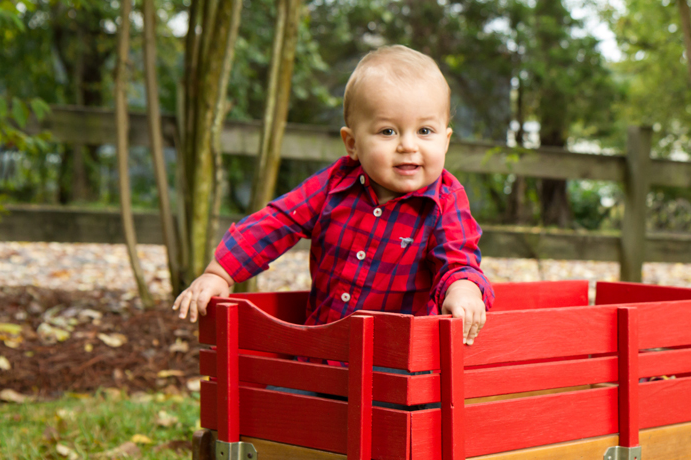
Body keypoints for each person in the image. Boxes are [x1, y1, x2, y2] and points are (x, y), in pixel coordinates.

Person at [173, 45, 493, 345]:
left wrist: (463, 290)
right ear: (352, 143)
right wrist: (220, 272)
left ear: (445, 141)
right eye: (387, 131)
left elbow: (458, 259)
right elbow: (279, 220)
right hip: (322, 348)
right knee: (283, 399)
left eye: (425, 131)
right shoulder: (334, 185)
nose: (408, 145)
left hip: (396, 364)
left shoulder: (445, 202)